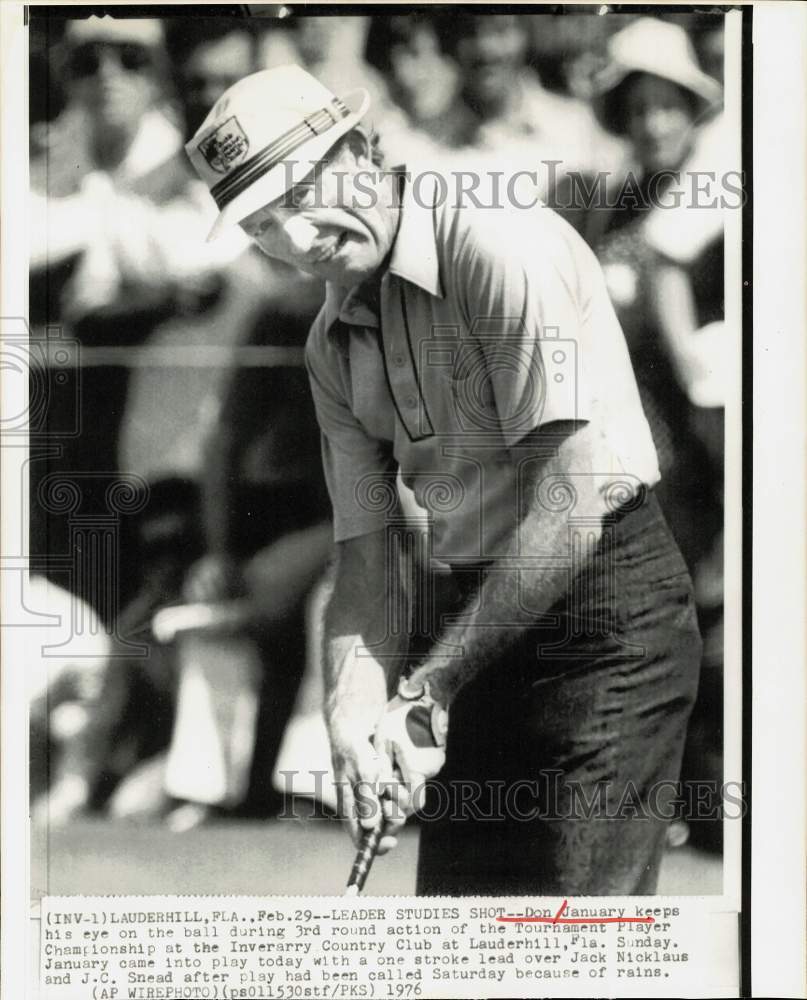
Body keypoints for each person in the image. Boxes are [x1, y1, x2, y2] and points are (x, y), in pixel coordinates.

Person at [186, 64, 702, 895]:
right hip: (477, 622)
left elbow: (570, 503)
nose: (299, 231)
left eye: (302, 188)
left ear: (362, 147)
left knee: (574, 955)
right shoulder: (330, 345)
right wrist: (353, 721)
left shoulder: (496, 244)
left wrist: (427, 690)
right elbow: (363, 559)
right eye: (262, 219)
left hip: (604, 616)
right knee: (457, 947)